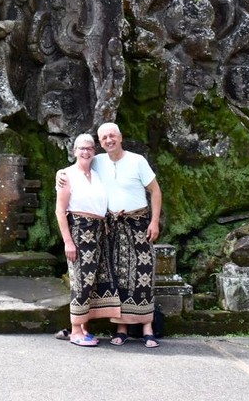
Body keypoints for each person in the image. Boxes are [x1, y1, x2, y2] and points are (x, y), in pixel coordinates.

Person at [57, 122, 163, 348]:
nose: (108, 140)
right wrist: (60, 174)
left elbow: (155, 190)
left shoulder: (136, 161)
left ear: (121, 137)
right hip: (110, 228)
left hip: (137, 223)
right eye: (103, 137)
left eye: (112, 136)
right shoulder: (96, 162)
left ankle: (147, 328)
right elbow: (74, 168)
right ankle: (119, 329)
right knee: (117, 276)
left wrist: (154, 221)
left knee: (144, 273)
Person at [54, 133, 122, 347]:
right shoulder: (66, 175)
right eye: (81, 148)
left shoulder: (97, 174)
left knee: (92, 281)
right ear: (74, 151)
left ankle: (84, 327)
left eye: (90, 148)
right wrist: (68, 241)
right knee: (80, 280)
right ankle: (75, 331)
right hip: (79, 231)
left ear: (94, 151)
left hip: (99, 232)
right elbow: (60, 210)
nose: (86, 151)